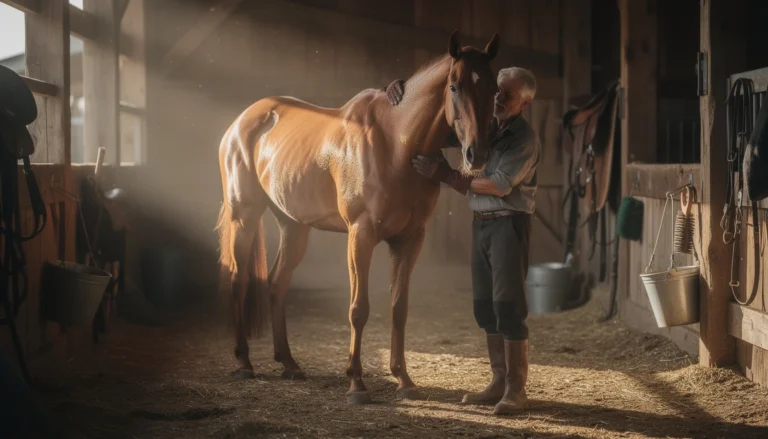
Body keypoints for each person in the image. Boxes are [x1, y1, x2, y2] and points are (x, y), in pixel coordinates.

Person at [385, 67, 540, 415]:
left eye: (509, 95)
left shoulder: (524, 138)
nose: (499, 98)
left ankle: (516, 389)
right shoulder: (484, 126)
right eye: (498, 91)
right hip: (482, 224)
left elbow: (499, 185)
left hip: (508, 224)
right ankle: (498, 381)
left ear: (525, 103)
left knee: (509, 307)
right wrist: (398, 89)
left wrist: (447, 175)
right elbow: (434, 123)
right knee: (484, 307)